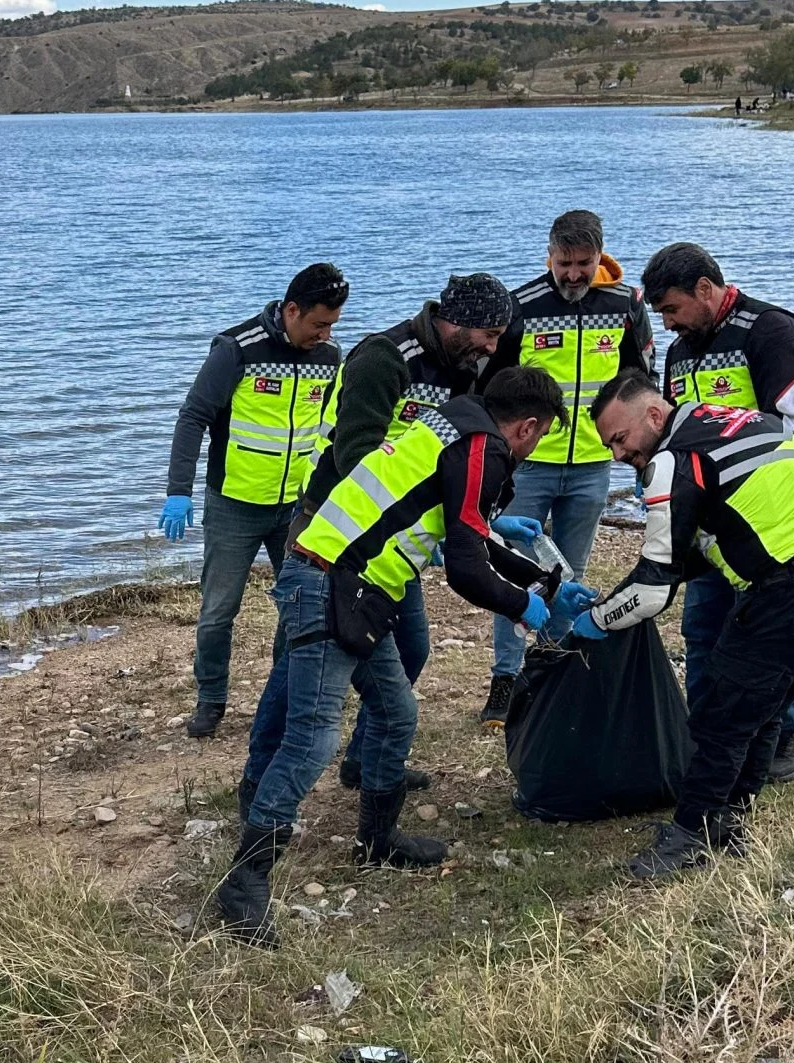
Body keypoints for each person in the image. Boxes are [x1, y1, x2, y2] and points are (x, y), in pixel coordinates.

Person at [214, 364, 571, 943]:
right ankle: (244, 880)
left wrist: (547, 584)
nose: (532, 449)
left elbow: (468, 534)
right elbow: (465, 567)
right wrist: (522, 607)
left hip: (359, 588)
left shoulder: (455, 423)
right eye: (540, 437)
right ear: (529, 427)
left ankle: (378, 842)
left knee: (394, 712)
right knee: (313, 737)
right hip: (328, 581)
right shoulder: (484, 446)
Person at [576, 371, 794, 882]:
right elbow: (711, 543)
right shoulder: (732, 421)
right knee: (761, 709)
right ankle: (728, 823)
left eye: (619, 440)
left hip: (791, 596)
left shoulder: (671, 459)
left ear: (654, 415)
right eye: (608, 446)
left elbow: (653, 590)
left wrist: (596, 620)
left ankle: (689, 836)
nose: (618, 456)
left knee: (719, 718)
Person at [306, 270, 519, 790]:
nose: (493, 348)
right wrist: (442, 515)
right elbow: (355, 452)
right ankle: (277, 771)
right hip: (336, 529)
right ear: (457, 322)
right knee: (312, 657)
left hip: (395, 536)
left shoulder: (462, 369)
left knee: (412, 649)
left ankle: (366, 760)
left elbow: (455, 456)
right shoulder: (385, 358)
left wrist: (471, 515)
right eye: (488, 335)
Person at [643, 241, 794, 782]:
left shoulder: (772, 331)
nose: (668, 324)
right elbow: (671, 434)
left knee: (766, 635)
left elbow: (790, 428)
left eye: (672, 309)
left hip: (771, 519)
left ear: (705, 288)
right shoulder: (681, 350)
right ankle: (706, 732)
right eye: (661, 315)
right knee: (702, 629)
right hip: (708, 521)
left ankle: (790, 731)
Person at [479, 210, 653, 725]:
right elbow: (491, 385)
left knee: (567, 577)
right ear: (548, 256)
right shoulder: (522, 306)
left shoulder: (625, 304)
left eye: (584, 263)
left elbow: (641, 382)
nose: (573, 274)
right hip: (527, 468)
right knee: (515, 576)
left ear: (600, 258)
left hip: (593, 467)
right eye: (564, 263)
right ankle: (505, 678)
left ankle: (551, 667)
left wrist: (645, 463)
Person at [161, 263, 347, 738]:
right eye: (318, 324)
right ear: (291, 310)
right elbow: (192, 418)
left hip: (298, 509)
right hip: (234, 506)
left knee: (298, 607)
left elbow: (333, 431)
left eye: (332, 325)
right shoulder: (236, 349)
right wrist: (178, 492)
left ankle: (282, 698)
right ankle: (211, 698)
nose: (324, 334)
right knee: (219, 609)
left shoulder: (329, 358)